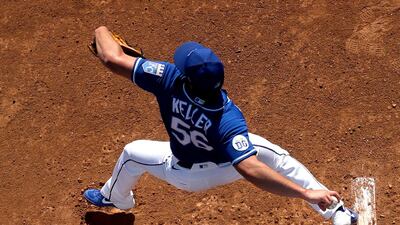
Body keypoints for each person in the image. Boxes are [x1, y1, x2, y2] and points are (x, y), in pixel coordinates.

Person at [83, 26, 358, 225]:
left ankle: (115, 198)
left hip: (181, 173)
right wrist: (304, 193)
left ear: (189, 79)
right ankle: (337, 213)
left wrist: (101, 29)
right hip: (223, 166)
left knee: (132, 154)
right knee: (274, 156)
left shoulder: (167, 79)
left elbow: (111, 57)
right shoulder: (228, 117)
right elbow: (248, 168)